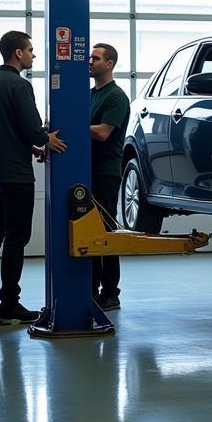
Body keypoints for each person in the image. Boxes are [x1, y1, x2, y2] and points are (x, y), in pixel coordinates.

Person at [0, 30, 67, 325]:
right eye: (30, 50)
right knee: (16, 239)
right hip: (15, 175)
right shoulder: (20, 85)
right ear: (18, 53)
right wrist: (45, 140)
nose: (33, 55)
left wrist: (30, 146)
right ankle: (10, 306)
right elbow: (30, 127)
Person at [89, 43, 131, 312]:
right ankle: (90, 287)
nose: (90, 62)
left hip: (105, 172)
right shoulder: (90, 94)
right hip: (87, 171)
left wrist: (72, 123)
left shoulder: (116, 97)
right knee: (88, 232)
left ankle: (110, 291)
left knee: (106, 229)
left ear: (110, 64)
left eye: (95, 58)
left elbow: (103, 132)